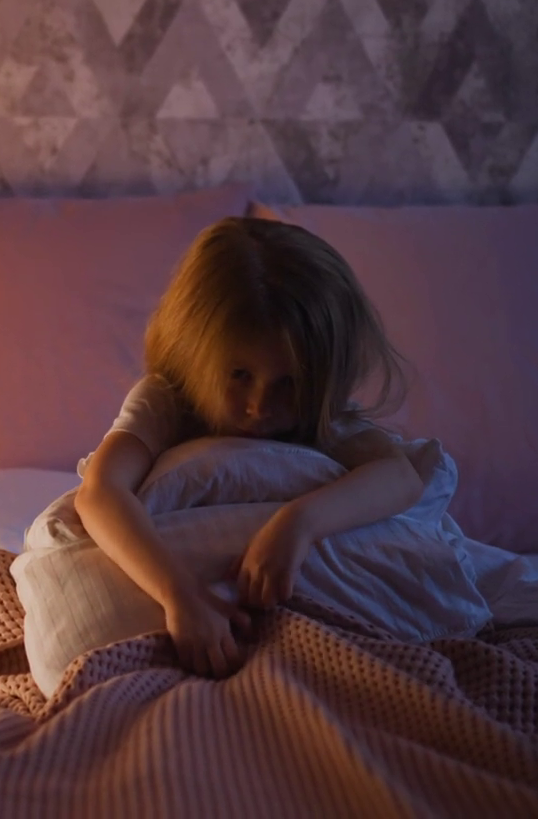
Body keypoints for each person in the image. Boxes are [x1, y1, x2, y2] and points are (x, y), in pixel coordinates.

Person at [75, 215, 440, 679]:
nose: (259, 406)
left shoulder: (318, 410)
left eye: (288, 383)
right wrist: (179, 595)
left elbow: (401, 477)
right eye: (239, 375)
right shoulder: (168, 400)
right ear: (195, 352)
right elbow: (100, 493)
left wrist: (297, 524)